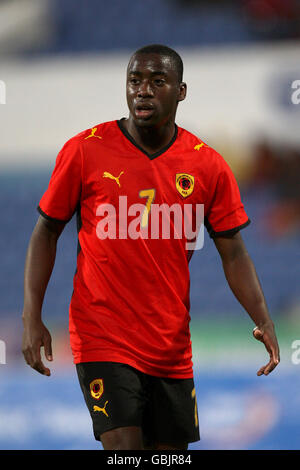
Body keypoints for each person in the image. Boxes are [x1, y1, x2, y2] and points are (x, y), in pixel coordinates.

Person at [22, 44, 280, 450]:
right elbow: (45, 232)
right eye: (134, 81)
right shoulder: (85, 150)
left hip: (170, 344)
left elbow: (234, 251)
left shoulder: (207, 165)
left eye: (156, 82)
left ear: (180, 91)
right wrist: (31, 315)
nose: (142, 91)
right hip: (101, 334)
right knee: (125, 449)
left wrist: (263, 318)